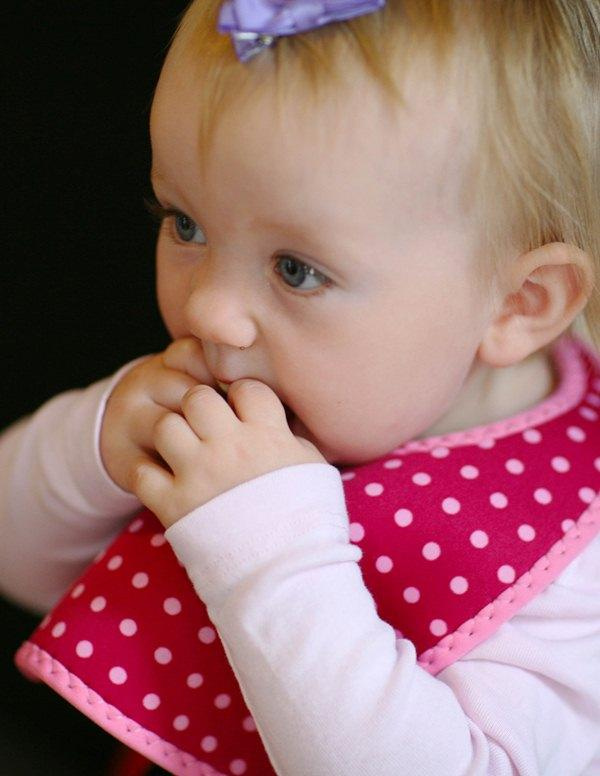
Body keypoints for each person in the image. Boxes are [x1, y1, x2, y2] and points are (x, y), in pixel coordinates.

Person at [2, 0, 600, 774]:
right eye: (185, 223)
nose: (209, 311)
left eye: (297, 270)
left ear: (518, 304)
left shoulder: (570, 552)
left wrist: (264, 557)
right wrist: (97, 448)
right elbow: (19, 565)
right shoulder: (241, 385)